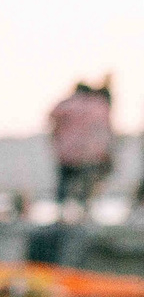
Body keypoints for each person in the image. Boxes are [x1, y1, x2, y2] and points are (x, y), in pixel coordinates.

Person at [48, 78, 114, 219]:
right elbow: (104, 130)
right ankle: (85, 212)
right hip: (90, 153)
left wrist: (56, 138)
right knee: (86, 184)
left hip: (66, 152)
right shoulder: (98, 105)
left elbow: (52, 119)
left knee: (65, 183)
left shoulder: (66, 105)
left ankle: (61, 214)